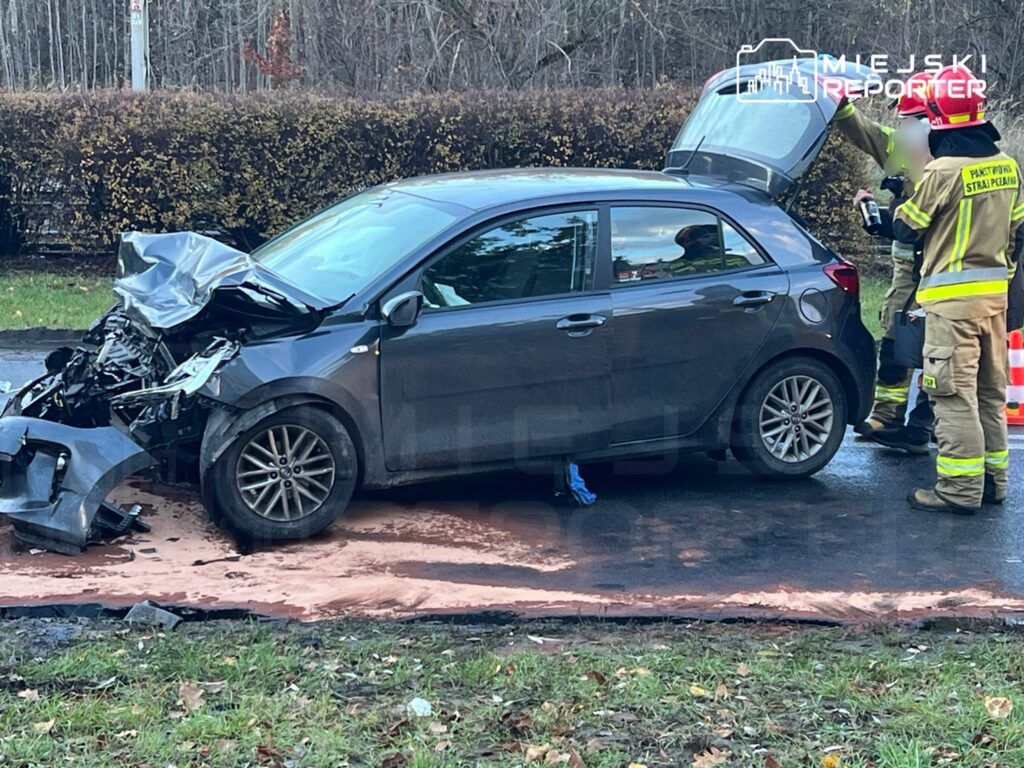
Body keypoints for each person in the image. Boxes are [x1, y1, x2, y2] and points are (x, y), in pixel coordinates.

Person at [891, 65, 1024, 514]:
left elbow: (907, 228)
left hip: (951, 306)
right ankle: (993, 483)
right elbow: (1019, 233)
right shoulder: (1008, 167)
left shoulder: (943, 171)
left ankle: (958, 491)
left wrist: (892, 204)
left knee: (952, 396)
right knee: (989, 393)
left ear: (939, 120)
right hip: (996, 301)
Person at [835, 72, 934, 447]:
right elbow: (860, 129)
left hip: (941, 263)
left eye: (911, 118)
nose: (904, 126)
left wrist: (887, 220)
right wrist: (838, 99)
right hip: (907, 264)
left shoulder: (953, 157)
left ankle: (924, 423)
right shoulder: (896, 144)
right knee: (895, 338)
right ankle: (887, 417)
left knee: (934, 345)